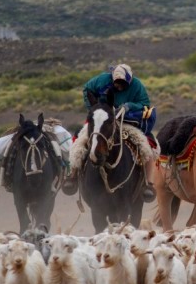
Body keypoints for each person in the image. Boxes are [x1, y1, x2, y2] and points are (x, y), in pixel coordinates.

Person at [65, 64, 157, 202]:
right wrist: (94, 108)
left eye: (123, 83)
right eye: (117, 83)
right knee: (80, 138)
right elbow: (87, 89)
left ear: (129, 80)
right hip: (101, 118)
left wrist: (129, 106)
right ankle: (72, 176)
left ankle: (148, 184)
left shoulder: (137, 85)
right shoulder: (101, 80)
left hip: (126, 120)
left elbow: (145, 104)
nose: (119, 86)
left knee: (146, 144)